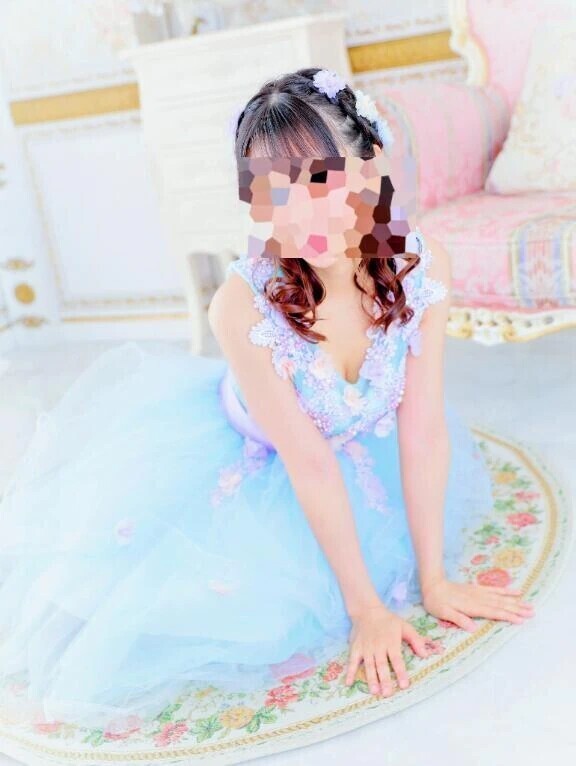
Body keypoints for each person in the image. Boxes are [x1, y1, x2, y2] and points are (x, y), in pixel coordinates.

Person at [0, 67, 534, 730]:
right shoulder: (240, 308)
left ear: (370, 165)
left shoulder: (421, 266)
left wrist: (435, 580)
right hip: (270, 455)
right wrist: (367, 609)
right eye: (274, 192)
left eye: (320, 179)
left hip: (355, 443)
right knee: (175, 605)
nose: (300, 215)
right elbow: (309, 465)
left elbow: (421, 426)